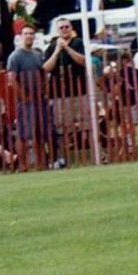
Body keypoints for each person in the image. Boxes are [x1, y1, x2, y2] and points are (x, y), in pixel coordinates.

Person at [42, 17, 89, 168]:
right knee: (62, 127)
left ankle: (97, 153)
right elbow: (46, 68)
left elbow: (83, 61)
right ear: (58, 30)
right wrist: (57, 51)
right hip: (60, 93)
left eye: (66, 27)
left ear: (71, 28)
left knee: (86, 123)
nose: (64, 30)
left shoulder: (79, 43)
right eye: (61, 28)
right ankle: (62, 157)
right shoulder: (52, 46)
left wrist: (67, 49)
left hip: (79, 91)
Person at [6, 25, 51, 169]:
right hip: (25, 101)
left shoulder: (38, 54)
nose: (29, 36)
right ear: (21, 36)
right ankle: (23, 164)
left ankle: (40, 163)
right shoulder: (15, 56)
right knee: (23, 134)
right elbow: (11, 78)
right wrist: (23, 96)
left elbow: (43, 73)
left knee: (40, 133)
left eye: (32, 34)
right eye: (26, 34)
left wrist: (44, 89)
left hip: (39, 99)